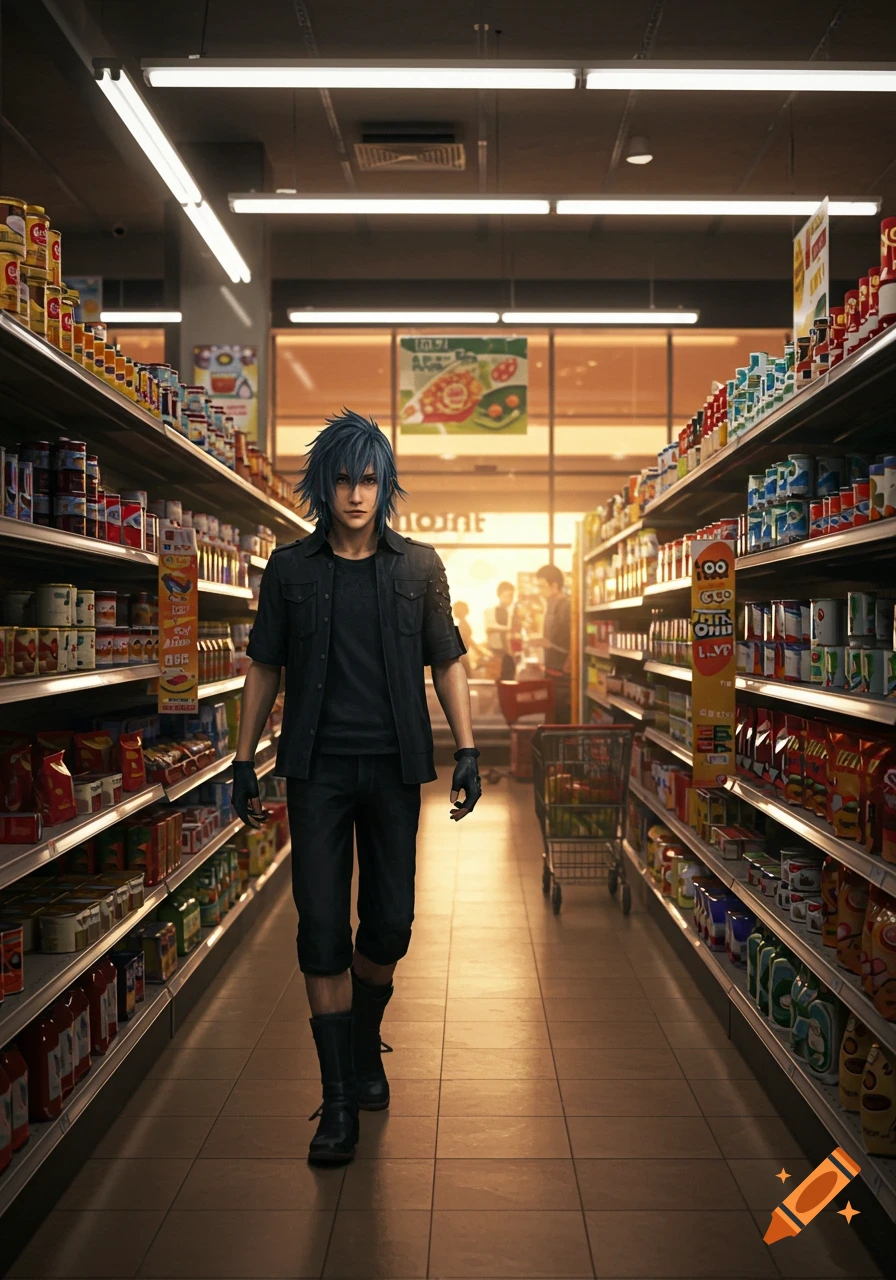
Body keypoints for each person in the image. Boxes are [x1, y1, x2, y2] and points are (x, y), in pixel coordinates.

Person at [230, 410, 481, 1168]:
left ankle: (365, 1040)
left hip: (394, 766)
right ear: (323, 486)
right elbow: (265, 665)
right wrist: (243, 759)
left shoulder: (419, 568)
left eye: (369, 479)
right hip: (316, 770)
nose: (356, 494)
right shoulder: (290, 570)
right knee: (320, 929)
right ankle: (338, 1097)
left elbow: (448, 660)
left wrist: (468, 748)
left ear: (386, 485)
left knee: (390, 925)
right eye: (343, 479)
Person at [530, 563, 571, 722]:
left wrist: (549, 645)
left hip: (563, 675)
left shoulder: (566, 605)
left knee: (560, 718)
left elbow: (574, 640)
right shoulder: (549, 605)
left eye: (541, 586)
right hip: (551, 671)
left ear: (554, 585)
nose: (539, 591)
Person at [484, 581, 517, 681]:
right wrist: (508, 628)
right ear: (500, 595)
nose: (511, 598)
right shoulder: (490, 611)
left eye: (512, 596)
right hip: (496, 651)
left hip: (509, 652)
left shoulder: (511, 612)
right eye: (508, 595)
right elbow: (489, 626)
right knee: (496, 679)